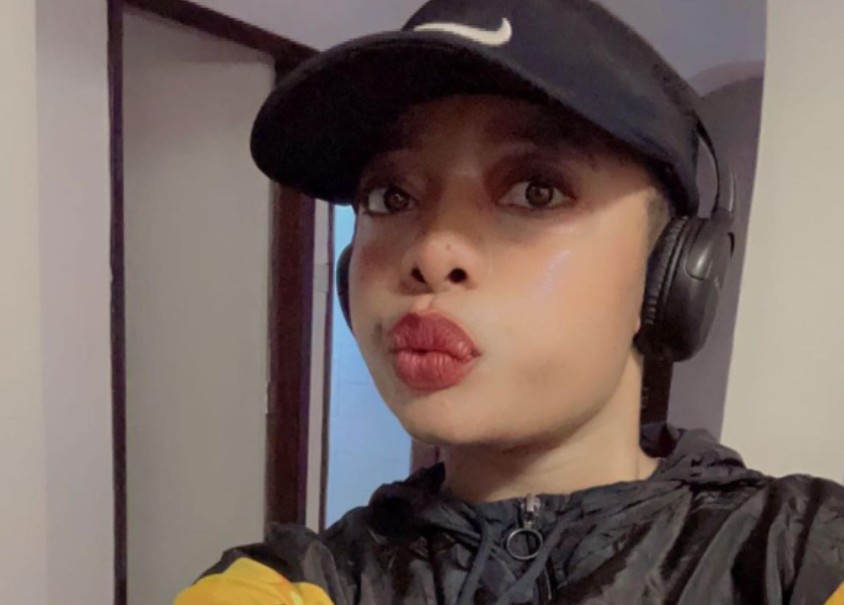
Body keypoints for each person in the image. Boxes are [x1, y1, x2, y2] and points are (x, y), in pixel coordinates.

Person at [174, 0, 844, 603]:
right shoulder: (293, 584)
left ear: (672, 273)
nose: (432, 250)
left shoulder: (798, 558)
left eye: (535, 191)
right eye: (390, 196)